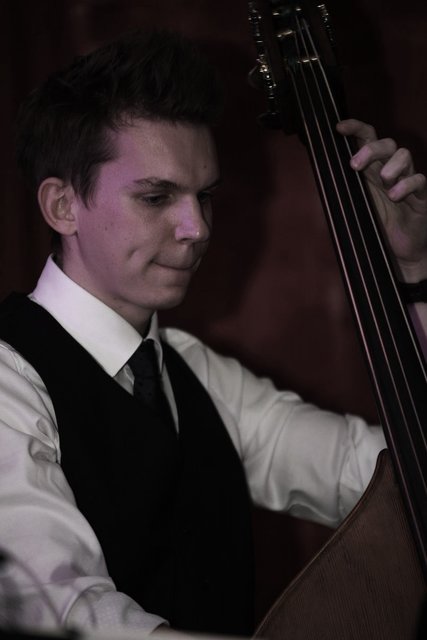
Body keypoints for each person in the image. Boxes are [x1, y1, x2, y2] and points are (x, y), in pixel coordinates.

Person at [0, 29, 426, 637]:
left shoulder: (192, 371)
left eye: (204, 196)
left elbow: (393, 475)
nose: (197, 227)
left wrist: (414, 269)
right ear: (62, 206)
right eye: (157, 197)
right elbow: (67, 612)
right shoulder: (9, 383)